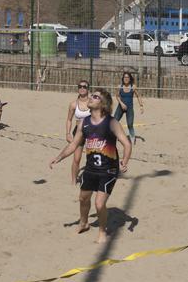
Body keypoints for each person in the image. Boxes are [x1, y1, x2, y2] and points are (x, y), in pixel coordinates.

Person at [49, 87, 132, 244]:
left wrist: (125, 162)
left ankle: (102, 232)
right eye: (91, 95)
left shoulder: (111, 122)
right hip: (91, 169)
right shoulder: (84, 122)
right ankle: (84, 223)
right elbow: (74, 144)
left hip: (109, 170)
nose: (90, 97)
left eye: (95, 96)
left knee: (99, 204)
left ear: (103, 104)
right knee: (83, 199)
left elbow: (127, 144)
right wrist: (59, 157)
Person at [64, 80, 91, 185]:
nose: (82, 88)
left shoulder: (92, 102)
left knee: (91, 158)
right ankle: (74, 180)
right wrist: (67, 133)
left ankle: (91, 180)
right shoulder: (73, 104)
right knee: (76, 158)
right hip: (78, 132)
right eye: (80, 86)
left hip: (91, 132)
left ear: (88, 88)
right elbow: (69, 119)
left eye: (84, 86)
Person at [113, 72, 144, 141]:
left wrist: (141, 106)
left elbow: (138, 96)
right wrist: (121, 103)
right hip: (121, 107)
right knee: (114, 121)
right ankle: (112, 136)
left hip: (129, 108)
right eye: (125, 77)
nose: (126, 79)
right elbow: (117, 96)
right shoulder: (119, 86)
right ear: (123, 78)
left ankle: (132, 138)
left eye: (127, 77)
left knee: (130, 124)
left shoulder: (133, 86)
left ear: (130, 79)